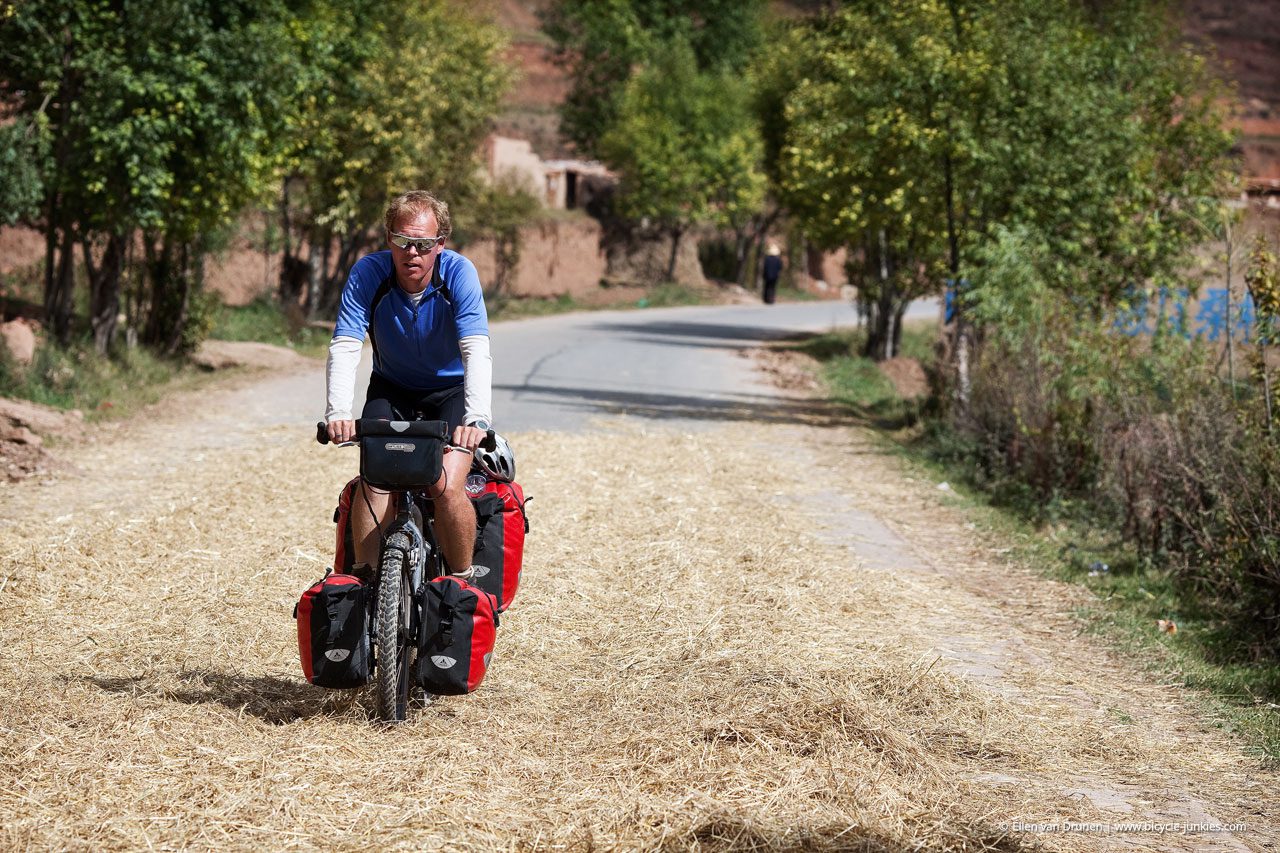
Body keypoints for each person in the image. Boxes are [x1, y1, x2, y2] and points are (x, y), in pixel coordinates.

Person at [325, 190, 493, 579]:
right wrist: (337, 413)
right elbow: (346, 345)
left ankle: (460, 582)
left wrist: (477, 420)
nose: (411, 252)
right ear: (389, 239)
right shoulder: (369, 273)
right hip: (392, 388)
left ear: (440, 245)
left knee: (447, 486)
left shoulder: (459, 273)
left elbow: (476, 350)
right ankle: (364, 585)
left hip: (449, 392)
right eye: (402, 241)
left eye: (422, 243)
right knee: (376, 482)